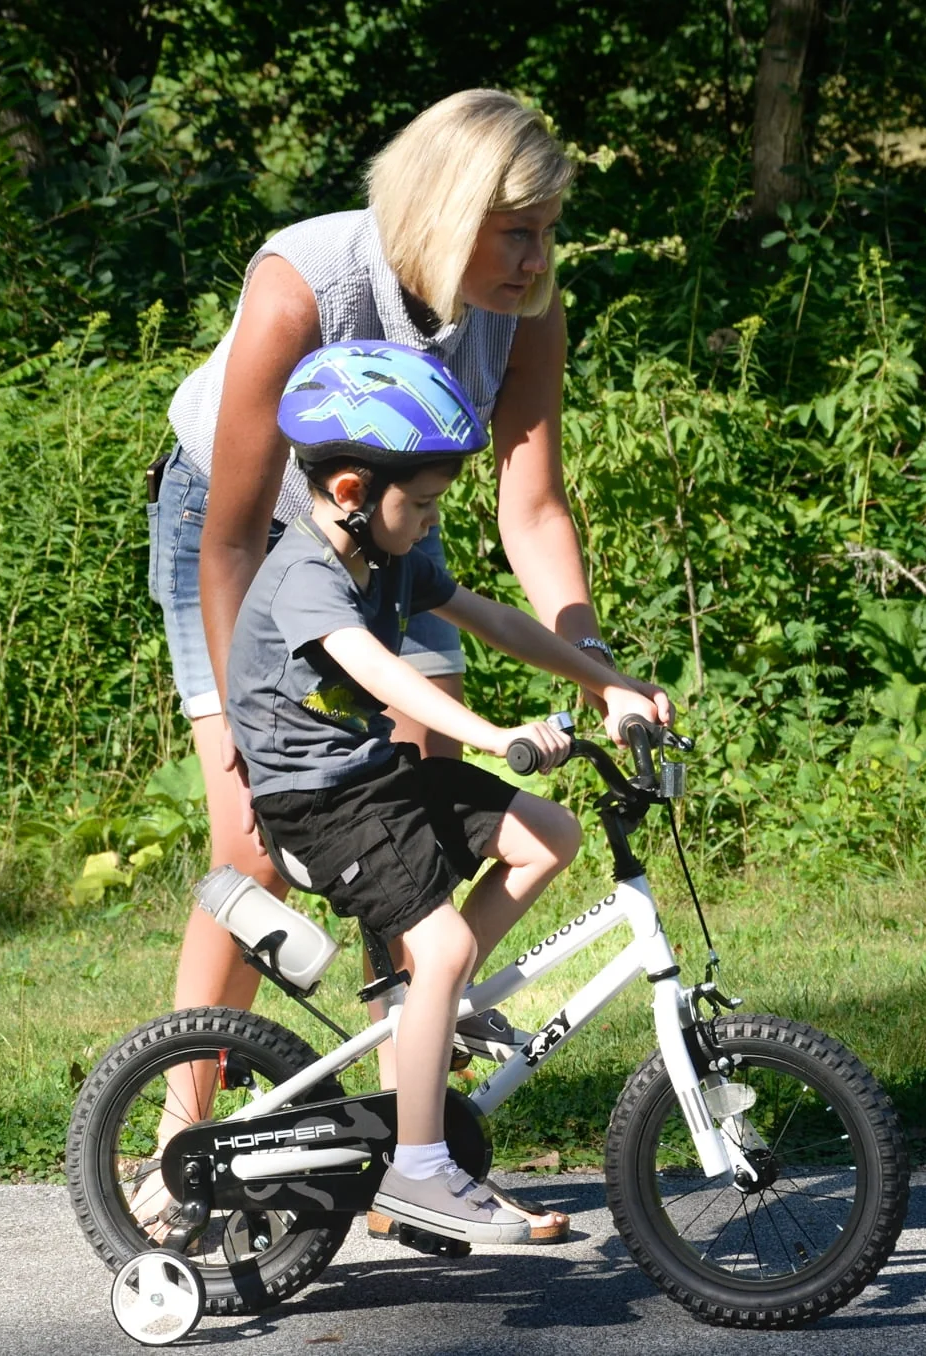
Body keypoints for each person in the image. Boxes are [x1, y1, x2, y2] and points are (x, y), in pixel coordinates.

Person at [148, 88, 671, 1238]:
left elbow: (530, 508)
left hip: (394, 538)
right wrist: (246, 722)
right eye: (515, 230)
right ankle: (180, 1152)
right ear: (446, 210)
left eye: (546, 231)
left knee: (417, 815)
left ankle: (401, 1146)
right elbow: (236, 530)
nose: (537, 259)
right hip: (236, 534)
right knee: (257, 836)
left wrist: (594, 666)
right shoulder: (308, 278)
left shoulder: (525, 306)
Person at [227, 340, 640, 1241]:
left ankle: (436, 1009)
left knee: (549, 836)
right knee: (444, 942)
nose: (426, 522)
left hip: (374, 780)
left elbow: (487, 618)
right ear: (350, 494)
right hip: (316, 805)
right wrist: (490, 737)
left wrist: (603, 683)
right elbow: (377, 670)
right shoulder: (304, 574)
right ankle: (417, 1171)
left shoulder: (395, 552)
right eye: (419, 504)